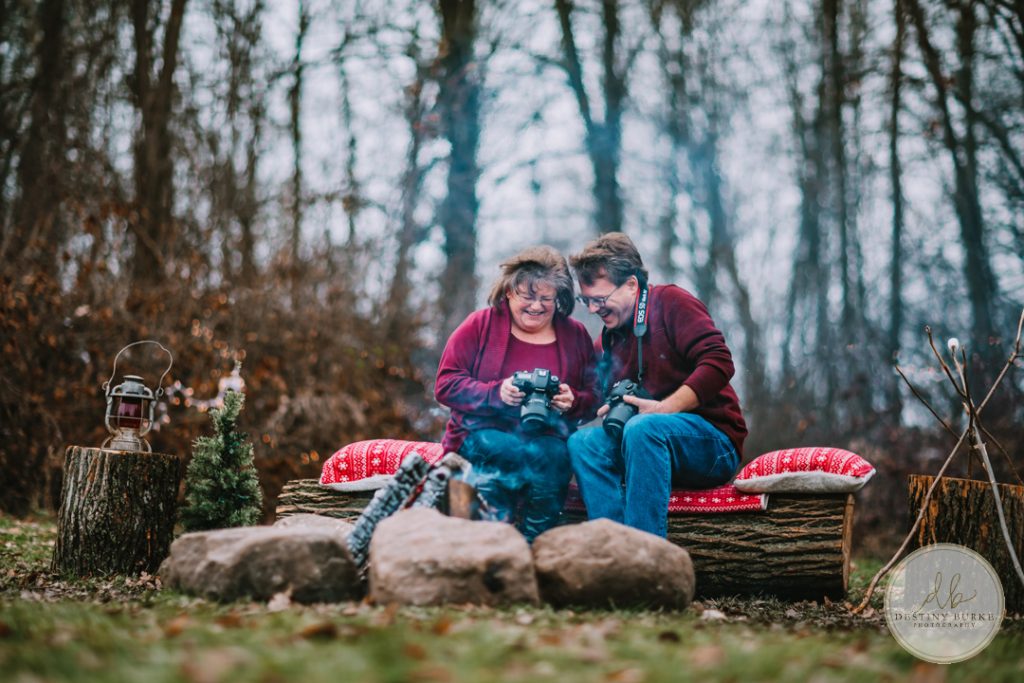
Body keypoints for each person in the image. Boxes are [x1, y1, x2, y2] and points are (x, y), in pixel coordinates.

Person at [566, 232, 747, 538]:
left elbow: (719, 361)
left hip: (714, 444)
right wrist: (566, 400)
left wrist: (664, 409)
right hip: (644, 445)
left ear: (632, 285)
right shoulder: (608, 342)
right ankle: (612, 550)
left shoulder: (671, 302)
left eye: (600, 299)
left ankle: (646, 556)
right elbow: (590, 401)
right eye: (587, 301)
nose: (594, 310)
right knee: (582, 444)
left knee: (642, 428)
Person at [435, 245, 599, 541]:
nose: (536, 306)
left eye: (546, 298)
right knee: (505, 449)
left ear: (559, 298)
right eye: (528, 296)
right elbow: (446, 384)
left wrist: (573, 401)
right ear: (509, 291)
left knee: (556, 456)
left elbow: (594, 395)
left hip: (547, 436)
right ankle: (485, 541)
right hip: (480, 433)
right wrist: (495, 393)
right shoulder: (479, 326)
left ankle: (533, 546)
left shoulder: (574, 335)